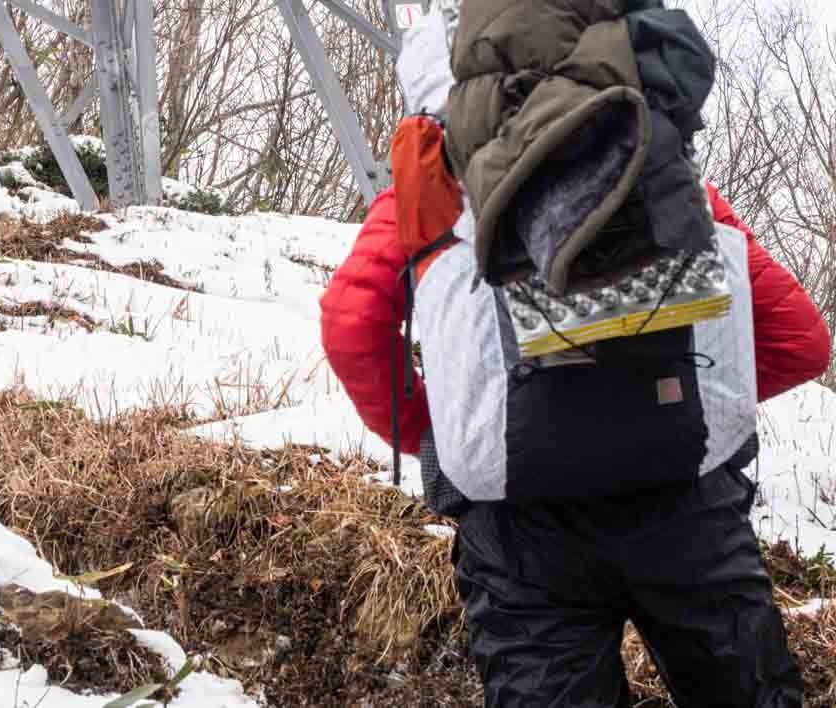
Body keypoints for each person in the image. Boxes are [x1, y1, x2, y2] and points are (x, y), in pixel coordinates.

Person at [320, 177, 831, 706]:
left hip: (520, 529)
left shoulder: (434, 184)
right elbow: (800, 343)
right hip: (686, 504)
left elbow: (350, 325)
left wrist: (450, 429)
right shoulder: (661, 168)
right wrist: (691, 408)